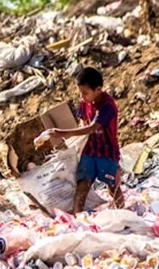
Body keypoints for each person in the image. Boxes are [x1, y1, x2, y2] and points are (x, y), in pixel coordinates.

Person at [33, 66, 123, 213]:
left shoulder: (107, 106)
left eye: (86, 93)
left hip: (107, 152)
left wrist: (60, 132)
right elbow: (83, 124)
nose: (82, 97)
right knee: (82, 185)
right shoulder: (84, 102)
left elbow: (92, 128)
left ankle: (123, 213)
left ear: (98, 90)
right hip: (89, 150)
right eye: (80, 93)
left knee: (112, 186)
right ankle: (78, 218)